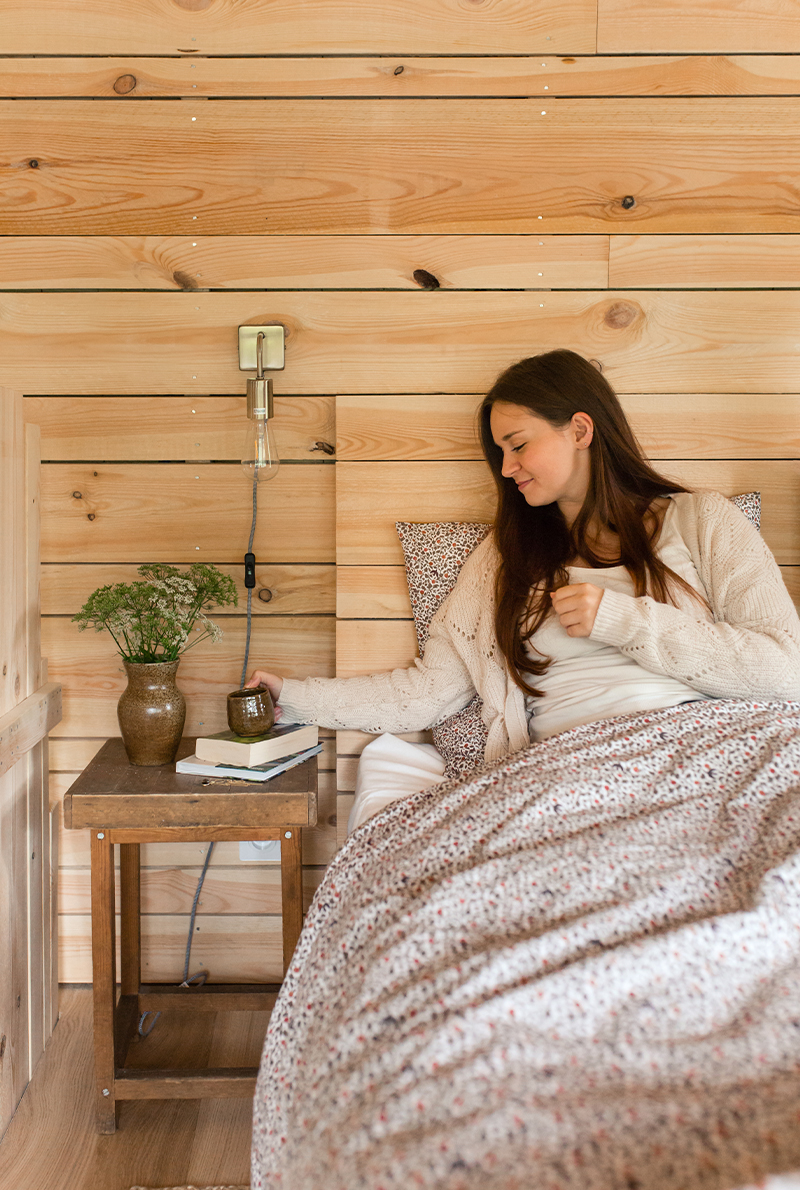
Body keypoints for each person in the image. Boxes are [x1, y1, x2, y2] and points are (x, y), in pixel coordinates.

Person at [246, 349, 800, 821]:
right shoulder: (503, 559)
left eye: (517, 444)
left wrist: (621, 620)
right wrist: (292, 699)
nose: (507, 467)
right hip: (572, 771)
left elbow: (786, 671)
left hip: (704, 749)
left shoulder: (704, 521)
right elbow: (427, 694)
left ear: (580, 430)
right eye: (500, 453)